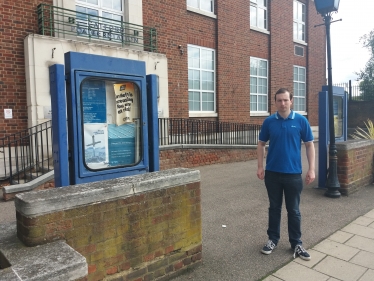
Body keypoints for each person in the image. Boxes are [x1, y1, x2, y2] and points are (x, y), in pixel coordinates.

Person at [256, 88, 315, 261]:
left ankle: (296, 243)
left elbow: (309, 145)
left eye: (285, 100)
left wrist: (311, 169)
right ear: (275, 102)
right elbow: (261, 144)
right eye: (279, 100)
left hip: (293, 174)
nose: (282, 103)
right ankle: (272, 240)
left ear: (291, 101)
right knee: (274, 208)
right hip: (273, 173)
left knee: (294, 210)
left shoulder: (301, 121)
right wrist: (260, 166)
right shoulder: (269, 122)